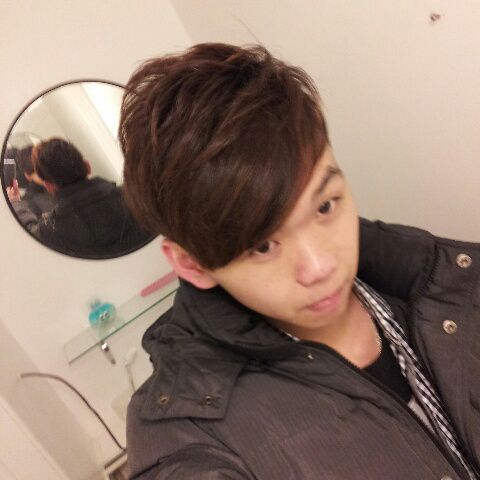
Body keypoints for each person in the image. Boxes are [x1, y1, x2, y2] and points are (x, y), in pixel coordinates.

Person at [119, 43, 479, 479]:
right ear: (193, 264)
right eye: (262, 247)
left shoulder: (450, 284)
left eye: (325, 207)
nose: (321, 266)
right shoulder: (186, 433)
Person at [12, 138, 151, 257]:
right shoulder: (139, 197)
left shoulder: (52, 231)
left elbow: (29, 235)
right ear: (88, 166)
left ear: (48, 186)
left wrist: (16, 203)